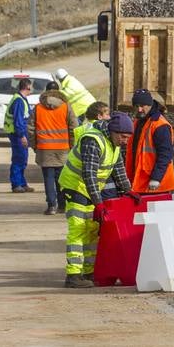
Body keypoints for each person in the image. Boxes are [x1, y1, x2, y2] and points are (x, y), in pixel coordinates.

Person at [57, 111, 134, 288]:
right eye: (123, 137)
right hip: (75, 187)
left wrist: (129, 191)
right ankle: (73, 276)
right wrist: (98, 202)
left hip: (90, 190)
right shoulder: (93, 141)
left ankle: (90, 273)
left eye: (128, 137)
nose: (125, 141)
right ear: (113, 131)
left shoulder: (114, 144)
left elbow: (119, 170)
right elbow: (88, 174)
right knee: (78, 229)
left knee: (91, 230)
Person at [28, 80, 76, 214]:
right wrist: (71, 145)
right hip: (62, 149)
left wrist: (35, 146)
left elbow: (30, 129)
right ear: (59, 92)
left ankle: (51, 206)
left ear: (46, 91)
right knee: (61, 178)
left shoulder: (38, 108)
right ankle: (62, 205)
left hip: (44, 148)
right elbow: (74, 127)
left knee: (48, 178)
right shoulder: (66, 107)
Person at [129, 88, 174, 193]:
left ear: (149, 105)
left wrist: (156, 178)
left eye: (142, 106)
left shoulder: (160, 125)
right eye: (136, 106)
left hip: (156, 185)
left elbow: (165, 154)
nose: (139, 109)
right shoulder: (139, 121)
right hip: (142, 183)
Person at [3, 78, 34, 193]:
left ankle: (22, 183)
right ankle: (16, 184)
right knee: (19, 159)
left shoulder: (21, 99)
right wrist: (22, 136)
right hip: (17, 134)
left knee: (23, 159)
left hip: (19, 133)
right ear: (28, 87)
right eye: (31, 87)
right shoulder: (19, 101)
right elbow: (18, 120)